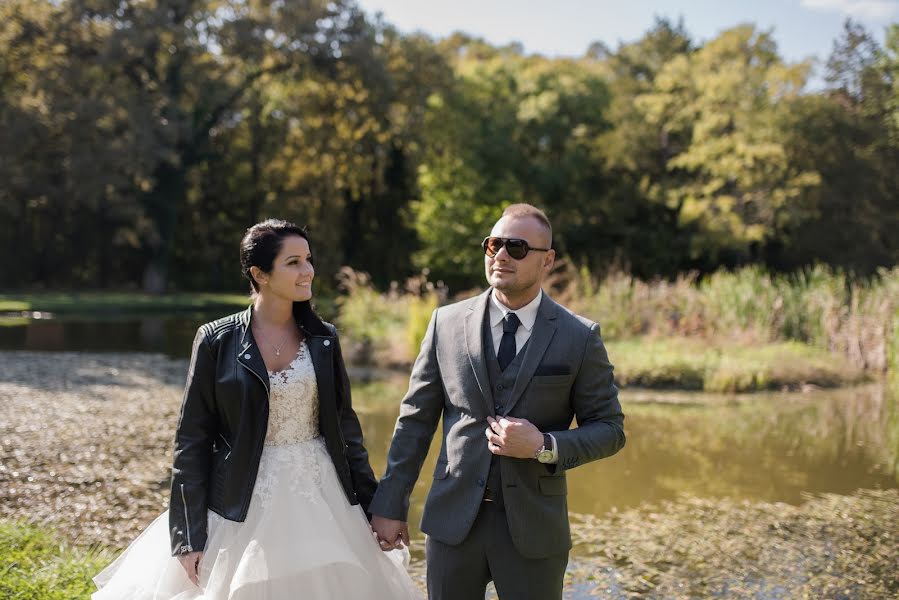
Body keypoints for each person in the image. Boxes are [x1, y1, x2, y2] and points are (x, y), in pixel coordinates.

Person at [93, 219, 420, 599]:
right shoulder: (216, 340)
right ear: (259, 273)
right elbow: (192, 440)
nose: (308, 271)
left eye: (309, 259)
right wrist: (187, 536)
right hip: (237, 499)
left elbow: (347, 433)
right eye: (293, 262)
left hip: (321, 497)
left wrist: (375, 506)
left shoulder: (324, 339)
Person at [369, 204, 626, 600]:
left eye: (517, 248)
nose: (501, 255)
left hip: (535, 531)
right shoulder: (445, 324)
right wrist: (390, 503)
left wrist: (543, 446)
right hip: (452, 523)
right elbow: (415, 420)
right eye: (494, 245)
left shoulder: (579, 337)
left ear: (548, 260)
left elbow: (610, 429)